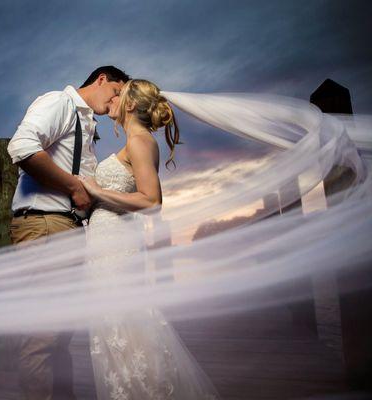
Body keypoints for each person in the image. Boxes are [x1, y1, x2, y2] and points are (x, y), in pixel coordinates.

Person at [78, 79, 219, 400]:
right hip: (108, 245)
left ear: (129, 105)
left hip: (117, 249)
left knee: (126, 330)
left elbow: (152, 201)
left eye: (117, 95)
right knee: (117, 332)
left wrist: (98, 190)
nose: (111, 100)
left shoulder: (140, 142)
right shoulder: (134, 142)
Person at [7, 66, 130, 400]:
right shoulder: (60, 102)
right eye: (117, 91)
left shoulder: (87, 124)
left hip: (67, 230)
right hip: (46, 226)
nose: (118, 100)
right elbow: (21, 147)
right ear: (102, 79)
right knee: (42, 336)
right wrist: (75, 187)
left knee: (60, 335)